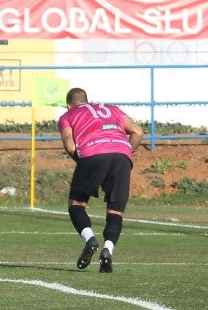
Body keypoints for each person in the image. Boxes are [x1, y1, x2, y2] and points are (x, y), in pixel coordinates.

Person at [57, 86, 143, 274]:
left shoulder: (67, 116)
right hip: (121, 156)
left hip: (92, 154)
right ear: (87, 100)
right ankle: (107, 250)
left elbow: (71, 147)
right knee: (115, 212)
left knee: (76, 205)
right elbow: (137, 132)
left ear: (68, 105)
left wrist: (85, 164)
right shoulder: (112, 109)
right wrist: (128, 150)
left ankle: (90, 240)